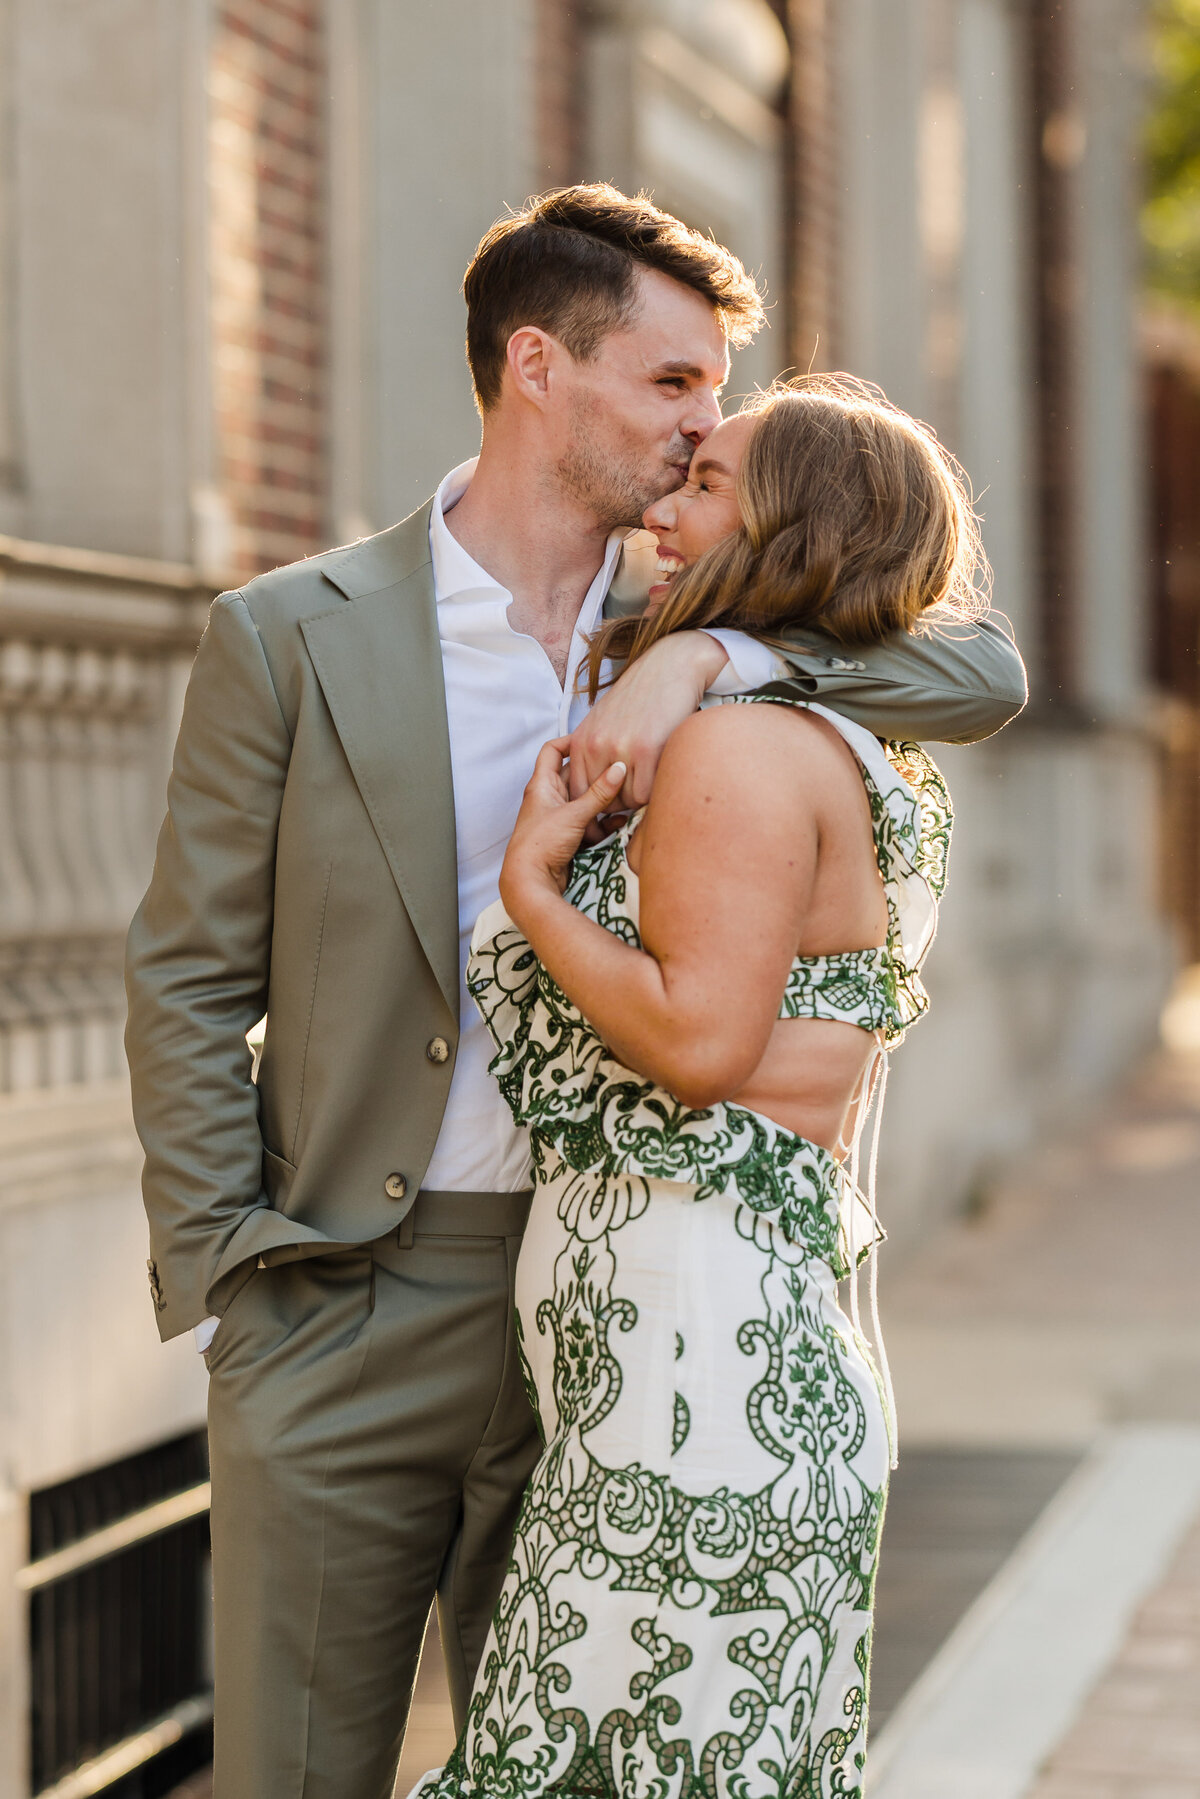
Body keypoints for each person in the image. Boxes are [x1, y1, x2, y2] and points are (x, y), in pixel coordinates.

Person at [124, 187, 1025, 1799]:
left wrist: (713, 661)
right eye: (676, 384)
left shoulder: (685, 615)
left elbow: (982, 671)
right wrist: (240, 1278)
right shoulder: (292, 637)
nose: (707, 430)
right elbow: (188, 972)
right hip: (349, 1291)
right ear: (538, 365)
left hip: (615, 1302)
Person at [412, 375, 972, 1797]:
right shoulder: (836, 737)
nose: (665, 508)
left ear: (797, 528)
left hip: (699, 1384)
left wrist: (539, 891)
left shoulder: (735, 749)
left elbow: (701, 1043)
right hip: (692, 1371)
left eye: (708, 483)